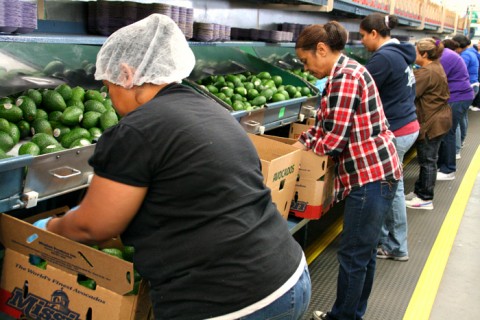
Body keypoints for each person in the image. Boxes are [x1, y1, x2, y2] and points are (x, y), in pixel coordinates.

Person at [32, 14, 311, 320]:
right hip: (289, 275)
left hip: (231, 302)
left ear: (126, 74)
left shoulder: (137, 129)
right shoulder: (211, 109)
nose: (109, 98)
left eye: (107, 86)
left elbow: (93, 226)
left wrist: (51, 228)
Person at [293, 21, 402, 320]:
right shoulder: (345, 72)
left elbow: (333, 139)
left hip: (370, 176)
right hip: (377, 172)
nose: (306, 69)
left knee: (354, 255)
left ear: (322, 49)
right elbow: (327, 126)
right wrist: (304, 140)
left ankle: (342, 317)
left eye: (306, 61)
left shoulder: (346, 79)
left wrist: (296, 152)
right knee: (363, 255)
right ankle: (352, 315)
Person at [359, 13, 419, 261]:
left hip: (396, 131)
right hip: (407, 125)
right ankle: (388, 240)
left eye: (362, 36)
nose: (361, 41)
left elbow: (359, 90)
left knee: (390, 190)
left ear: (374, 33)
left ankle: (395, 246)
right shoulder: (400, 54)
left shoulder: (383, 58)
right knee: (391, 187)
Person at [405, 38, 452, 210]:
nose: (414, 54)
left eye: (416, 51)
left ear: (424, 54)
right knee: (429, 159)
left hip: (432, 121)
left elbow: (409, 92)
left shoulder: (426, 73)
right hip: (440, 118)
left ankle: (425, 198)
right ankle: (419, 191)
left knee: (427, 160)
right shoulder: (435, 67)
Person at [435, 38, 474, 180]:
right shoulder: (447, 54)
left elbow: (435, 77)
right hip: (461, 96)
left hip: (457, 97)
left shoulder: (445, 57)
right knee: (450, 130)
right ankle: (443, 165)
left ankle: (448, 170)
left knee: (447, 132)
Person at [451, 34, 479, 159]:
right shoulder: (471, 52)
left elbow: (459, 70)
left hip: (467, 88)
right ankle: (461, 141)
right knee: (463, 117)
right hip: (472, 86)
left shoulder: (466, 55)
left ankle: (456, 149)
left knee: (456, 121)